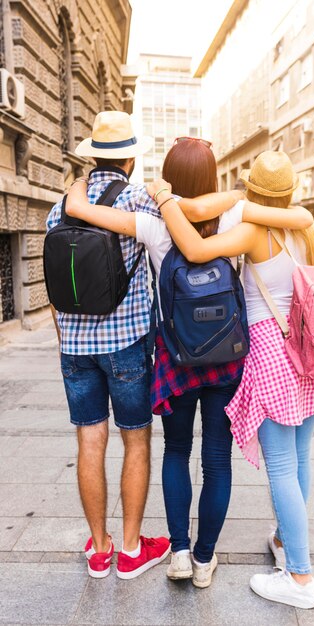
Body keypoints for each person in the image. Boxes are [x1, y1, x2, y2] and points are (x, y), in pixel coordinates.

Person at [65, 138, 314, 588]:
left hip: (176, 357)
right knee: (217, 460)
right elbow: (298, 217)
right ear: (213, 179)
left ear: (170, 176)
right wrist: (239, 196)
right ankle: (203, 560)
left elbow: (86, 213)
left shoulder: (153, 223)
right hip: (226, 356)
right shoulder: (237, 216)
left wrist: (79, 187)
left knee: (176, 452)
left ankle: (179, 552)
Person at [145, 151, 314, 609]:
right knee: (300, 458)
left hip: (274, 353)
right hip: (311, 350)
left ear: (253, 189)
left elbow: (196, 249)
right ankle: (284, 540)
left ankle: (299, 577)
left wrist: (162, 198)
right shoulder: (308, 227)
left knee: (280, 466)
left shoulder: (255, 227)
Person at [46, 110, 174, 580]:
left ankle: (99, 550)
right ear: (132, 159)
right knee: (136, 440)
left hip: (75, 347)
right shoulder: (141, 200)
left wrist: (66, 340)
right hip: (127, 342)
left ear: (93, 156)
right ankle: (131, 548)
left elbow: (56, 279)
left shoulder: (61, 206)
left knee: (89, 440)